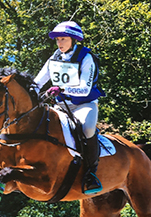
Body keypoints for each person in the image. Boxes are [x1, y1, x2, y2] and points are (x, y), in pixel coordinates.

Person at [34, 21, 105, 195]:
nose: (59, 43)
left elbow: (85, 88)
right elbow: (38, 81)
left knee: (87, 129)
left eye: (63, 39)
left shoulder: (86, 57)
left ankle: (90, 174)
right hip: (61, 105)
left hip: (84, 104)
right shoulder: (55, 57)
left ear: (73, 40)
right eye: (58, 39)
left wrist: (62, 89)